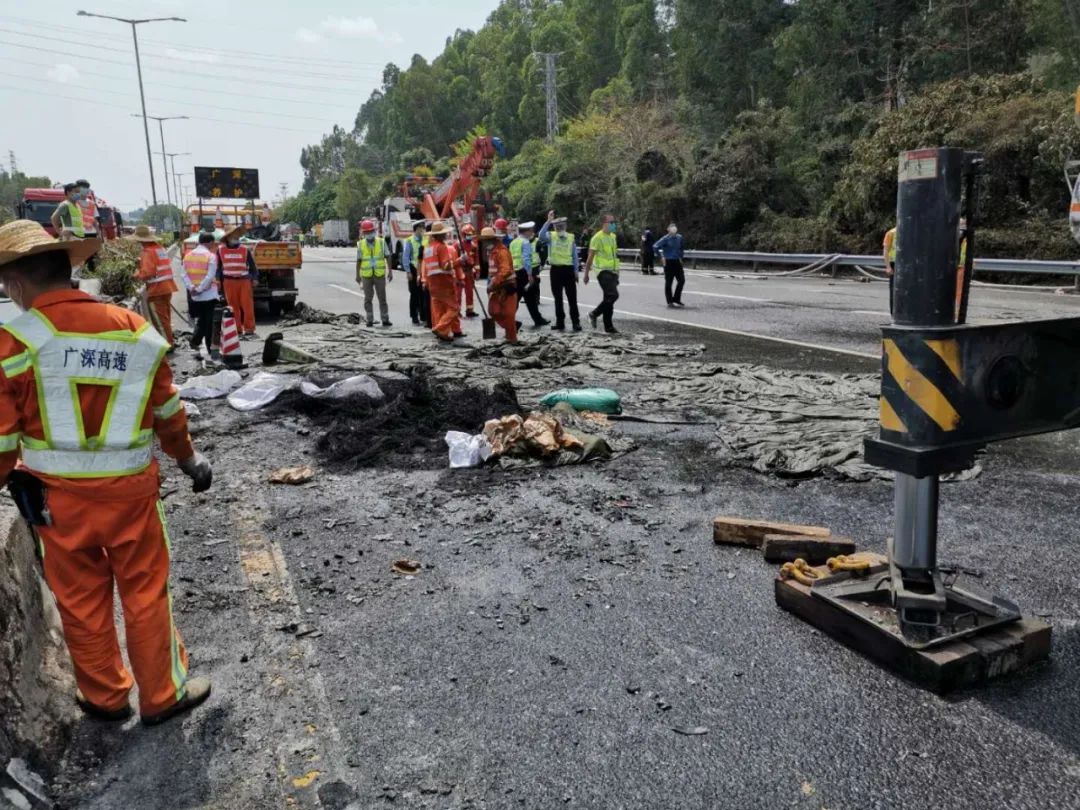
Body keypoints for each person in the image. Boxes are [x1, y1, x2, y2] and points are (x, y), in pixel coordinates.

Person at [0, 219, 213, 726]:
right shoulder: (135, 330)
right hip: (132, 496)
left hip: (58, 505)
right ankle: (162, 695)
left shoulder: (12, 343)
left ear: (16, 284)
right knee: (144, 594)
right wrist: (188, 460)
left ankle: (105, 697)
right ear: (68, 269)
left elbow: (4, 440)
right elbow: (168, 412)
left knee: (79, 600)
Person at [133, 224, 178, 349]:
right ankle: (170, 341)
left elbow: (147, 273)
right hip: (167, 287)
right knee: (165, 317)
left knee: (159, 320)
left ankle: (167, 346)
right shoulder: (160, 248)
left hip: (156, 289)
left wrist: (136, 274)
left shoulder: (147, 252)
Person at [538, 210, 581, 331]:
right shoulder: (551, 236)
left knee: (572, 298)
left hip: (568, 271)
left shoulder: (570, 237)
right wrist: (548, 221)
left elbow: (575, 256)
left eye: (561, 225)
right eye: (557, 226)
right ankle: (560, 322)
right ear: (554, 227)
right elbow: (540, 235)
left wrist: (576, 271)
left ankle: (575, 322)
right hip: (555, 270)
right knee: (558, 298)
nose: (559, 227)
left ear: (565, 226)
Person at [181, 232, 221, 360]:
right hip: (208, 294)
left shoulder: (188, 256)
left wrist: (192, 288)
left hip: (195, 295)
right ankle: (210, 348)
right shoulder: (211, 256)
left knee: (202, 319)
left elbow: (184, 275)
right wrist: (200, 288)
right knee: (209, 322)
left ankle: (195, 340)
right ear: (209, 242)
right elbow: (210, 276)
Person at [479, 226, 518, 344]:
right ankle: (510, 328)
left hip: (507, 287)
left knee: (508, 314)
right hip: (497, 287)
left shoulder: (502, 252)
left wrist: (493, 282)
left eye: (486, 240)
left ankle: (512, 339)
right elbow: (492, 271)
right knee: (493, 311)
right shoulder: (491, 252)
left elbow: (505, 271)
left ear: (493, 240)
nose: (484, 243)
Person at [423, 222, 460, 343]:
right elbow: (446, 266)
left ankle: (442, 333)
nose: (445, 235)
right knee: (454, 308)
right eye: (444, 233)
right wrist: (459, 261)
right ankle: (440, 328)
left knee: (438, 309)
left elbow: (427, 266)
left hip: (432, 283)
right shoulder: (441, 246)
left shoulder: (428, 248)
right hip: (443, 281)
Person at [218, 227, 258, 338]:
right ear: (228, 238)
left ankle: (249, 328)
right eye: (233, 235)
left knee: (247, 305)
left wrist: (254, 278)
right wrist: (218, 281)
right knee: (232, 306)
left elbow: (253, 267)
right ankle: (237, 328)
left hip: (244, 281)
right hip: (229, 281)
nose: (236, 237)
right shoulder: (221, 250)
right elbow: (218, 268)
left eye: (237, 235)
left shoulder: (245, 250)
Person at [584, 214, 621, 334]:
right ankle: (593, 314)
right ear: (605, 223)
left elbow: (614, 256)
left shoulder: (613, 236)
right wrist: (586, 273)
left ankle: (608, 327)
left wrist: (617, 272)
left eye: (614, 222)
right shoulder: (597, 237)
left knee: (608, 299)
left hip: (613, 271)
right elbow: (590, 257)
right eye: (612, 222)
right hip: (602, 271)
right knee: (613, 295)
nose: (614, 224)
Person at [510, 221, 548, 327]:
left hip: (515, 272)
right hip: (524, 273)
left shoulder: (513, 242)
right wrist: (530, 274)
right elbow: (526, 259)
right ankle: (511, 321)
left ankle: (538, 319)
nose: (532, 233)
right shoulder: (526, 242)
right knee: (525, 297)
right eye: (531, 231)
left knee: (524, 298)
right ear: (527, 231)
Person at [356, 219, 393, 327]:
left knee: (382, 298)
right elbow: (359, 260)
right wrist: (357, 275)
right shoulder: (360, 244)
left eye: (370, 231)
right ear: (363, 233)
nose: (369, 234)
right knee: (368, 298)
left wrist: (390, 271)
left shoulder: (381, 242)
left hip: (379, 274)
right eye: (366, 232)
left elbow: (388, 256)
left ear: (374, 231)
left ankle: (385, 318)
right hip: (366, 275)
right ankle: (369, 319)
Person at [652, 223, 686, 307]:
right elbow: (655, 246)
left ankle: (676, 299)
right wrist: (661, 256)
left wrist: (681, 257)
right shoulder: (665, 238)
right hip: (668, 262)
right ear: (668, 229)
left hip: (677, 261)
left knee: (681, 280)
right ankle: (670, 301)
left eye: (674, 227)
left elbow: (681, 248)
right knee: (669, 282)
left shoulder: (679, 237)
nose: (674, 228)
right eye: (671, 227)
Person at [401, 221, 427, 326]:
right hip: (414, 268)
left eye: (423, 228)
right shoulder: (410, 241)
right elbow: (406, 257)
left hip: (424, 269)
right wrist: (408, 271)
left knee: (423, 294)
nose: (423, 230)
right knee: (414, 294)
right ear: (416, 229)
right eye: (421, 228)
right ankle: (414, 316)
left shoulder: (425, 240)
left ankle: (423, 315)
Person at [457, 224, 479, 318]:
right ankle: (457, 311)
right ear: (463, 234)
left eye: (471, 234)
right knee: (458, 292)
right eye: (467, 234)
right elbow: (454, 259)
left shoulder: (474, 246)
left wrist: (477, 272)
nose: (469, 236)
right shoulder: (457, 245)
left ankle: (470, 310)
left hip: (470, 271)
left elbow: (477, 259)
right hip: (460, 271)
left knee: (469, 292)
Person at [883, 225, 897, 314]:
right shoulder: (891, 233)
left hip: (904, 264)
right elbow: (886, 251)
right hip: (894, 264)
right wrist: (888, 267)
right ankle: (894, 314)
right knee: (894, 290)